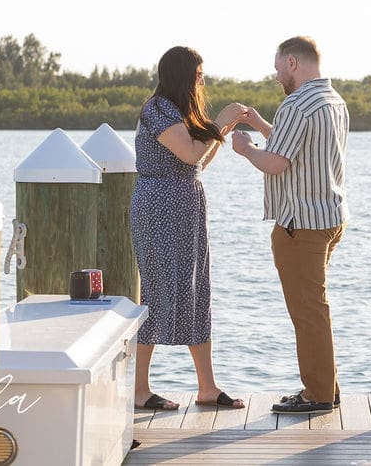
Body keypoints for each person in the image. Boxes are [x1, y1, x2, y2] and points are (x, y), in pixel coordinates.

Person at [231, 36, 349, 415]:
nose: (276, 72)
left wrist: (245, 149)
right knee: (315, 306)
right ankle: (326, 388)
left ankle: (317, 395)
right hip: (330, 219)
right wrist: (262, 124)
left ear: (293, 63)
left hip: (301, 226)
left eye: (279, 64)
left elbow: (276, 163)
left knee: (307, 310)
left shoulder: (296, 104)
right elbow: (293, 147)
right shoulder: (333, 100)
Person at [130, 46, 247, 411]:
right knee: (155, 290)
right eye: (198, 75)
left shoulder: (182, 112)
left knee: (196, 290)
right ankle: (138, 389)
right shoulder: (158, 110)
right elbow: (190, 153)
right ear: (182, 76)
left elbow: (198, 162)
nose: (202, 81)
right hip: (158, 206)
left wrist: (221, 128)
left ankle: (207, 387)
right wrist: (219, 122)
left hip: (186, 205)